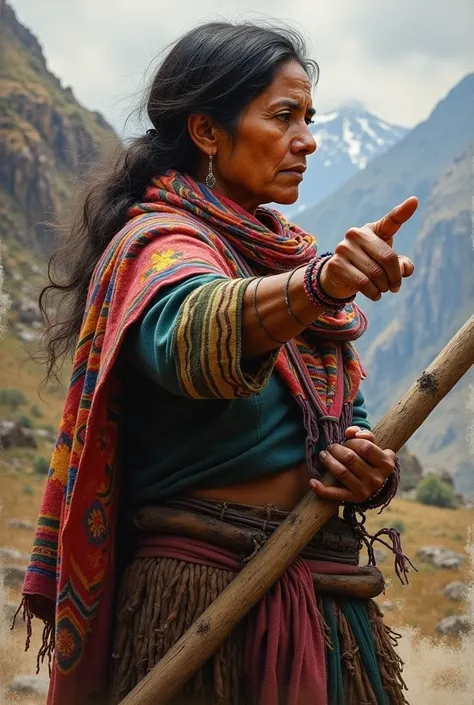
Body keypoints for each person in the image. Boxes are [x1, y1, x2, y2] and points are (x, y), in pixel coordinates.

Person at [20, 20, 417, 705]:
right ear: (207, 131)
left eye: (310, 118)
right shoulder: (159, 246)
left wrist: (367, 469)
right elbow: (195, 341)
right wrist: (318, 284)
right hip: (203, 605)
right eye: (284, 116)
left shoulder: (288, 261)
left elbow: (347, 422)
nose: (308, 140)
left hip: (328, 608)